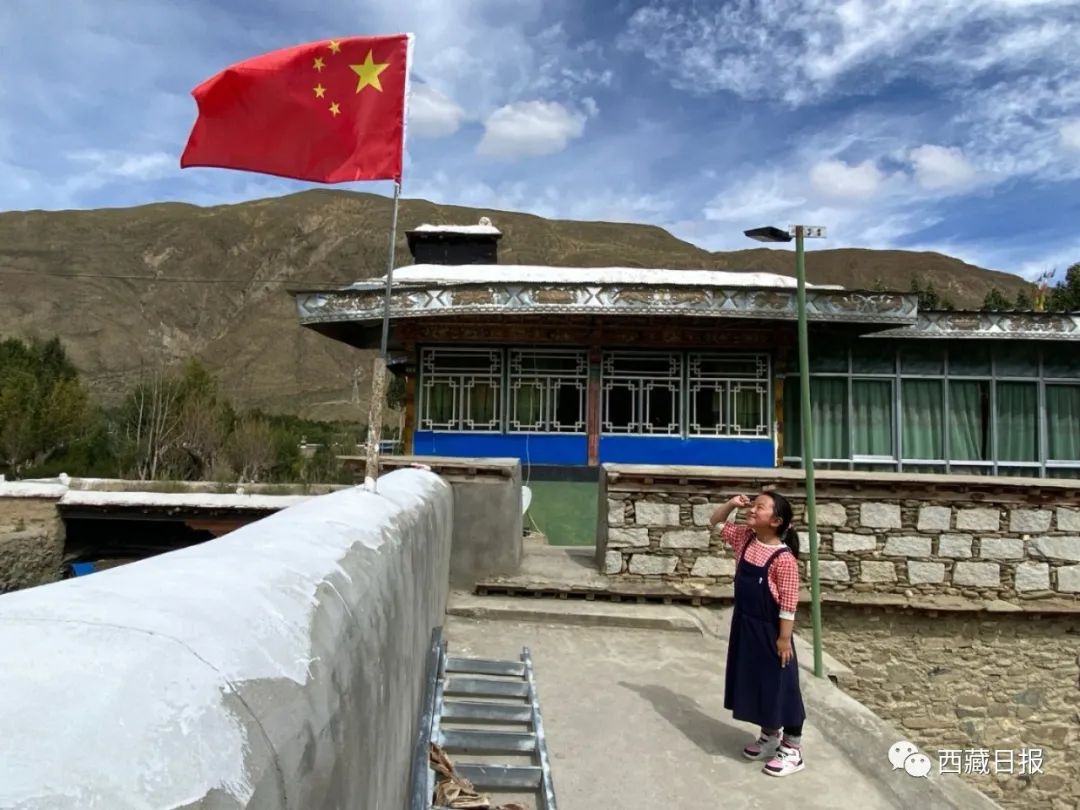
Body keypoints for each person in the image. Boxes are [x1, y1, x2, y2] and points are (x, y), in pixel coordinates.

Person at [709, 491, 806, 777]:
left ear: (775, 521)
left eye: (759, 507)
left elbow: (788, 604)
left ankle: (793, 749)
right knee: (757, 682)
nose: (752, 509)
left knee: (782, 687)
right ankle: (769, 737)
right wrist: (731, 504)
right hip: (745, 624)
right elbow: (715, 523)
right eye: (753, 504)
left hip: (771, 631)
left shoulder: (784, 559)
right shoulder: (745, 538)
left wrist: (784, 639)